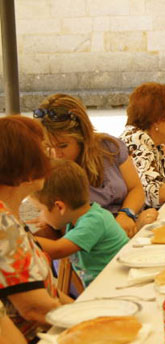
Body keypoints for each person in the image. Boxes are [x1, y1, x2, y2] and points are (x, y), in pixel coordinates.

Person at [36, 94, 157, 237]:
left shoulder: (110, 147)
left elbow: (136, 188)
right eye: (48, 147)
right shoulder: (46, 168)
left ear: (83, 137)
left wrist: (126, 214)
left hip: (127, 225)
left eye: (63, 146)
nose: (56, 154)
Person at [0, 116, 69, 342]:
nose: (49, 160)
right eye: (43, 151)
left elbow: (50, 293)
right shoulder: (3, 225)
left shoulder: (9, 216)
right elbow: (35, 309)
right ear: (26, 167)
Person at [32, 160, 129, 287]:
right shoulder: (80, 218)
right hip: (109, 285)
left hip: (121, 285)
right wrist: (48, 217)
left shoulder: (94, 221)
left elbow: (58, 250)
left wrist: (20, 237)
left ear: (60, 207)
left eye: (41, 210)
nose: (41, 216)